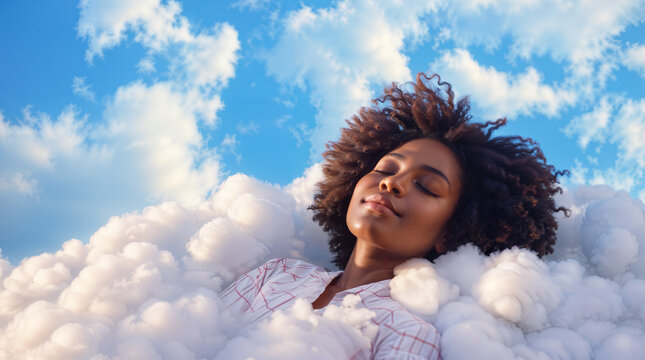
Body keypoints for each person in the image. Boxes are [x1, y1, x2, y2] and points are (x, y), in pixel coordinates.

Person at [219, 73, 568, 359]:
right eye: (385, 168)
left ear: (452, 232)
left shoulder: (407, 333)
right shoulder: (276, 274)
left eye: (428, 187)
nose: (391, 183)